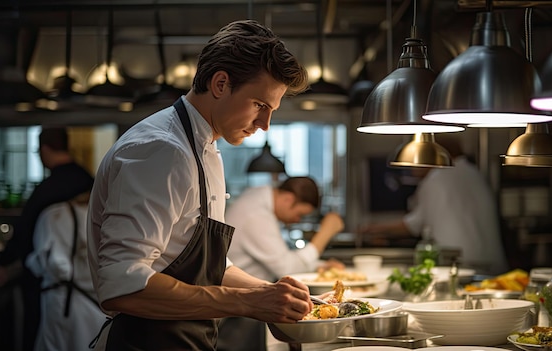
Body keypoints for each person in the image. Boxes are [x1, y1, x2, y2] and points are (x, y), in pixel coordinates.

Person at [86, 20, 311, 350]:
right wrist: (247, 303)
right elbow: (123, 285)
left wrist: (271, 293)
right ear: (220, 84)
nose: (265, 125)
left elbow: (204, 266)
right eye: (261, 106)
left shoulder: (205, 147)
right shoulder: (162, 150)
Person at [0, 127, 94, 351]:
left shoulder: (46, 190)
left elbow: (24, 233)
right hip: (89, 283)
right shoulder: (87, 179)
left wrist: (4, 266)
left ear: (44, 149)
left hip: (52, 287)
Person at [217, 176, 345, 351]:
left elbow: (280, 257)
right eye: (299, 214)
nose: (297, 220)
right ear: (288, 199)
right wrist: (325, 233)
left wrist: (318, 265)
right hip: (236, 310)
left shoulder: (259, 200)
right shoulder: (256, 215)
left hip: (250, 298)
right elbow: (287, 268)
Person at [360, 134, 509, 276]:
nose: (413, 165)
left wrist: (371, 229)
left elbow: (412, 225)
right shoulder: (474, 172)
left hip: (461, 267)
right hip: (494, 266)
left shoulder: (435, 178)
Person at [25, 192, 105, 351]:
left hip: (62, 302)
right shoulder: (103, 215)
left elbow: (52, 264)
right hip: (92, 304)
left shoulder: (55, 215)